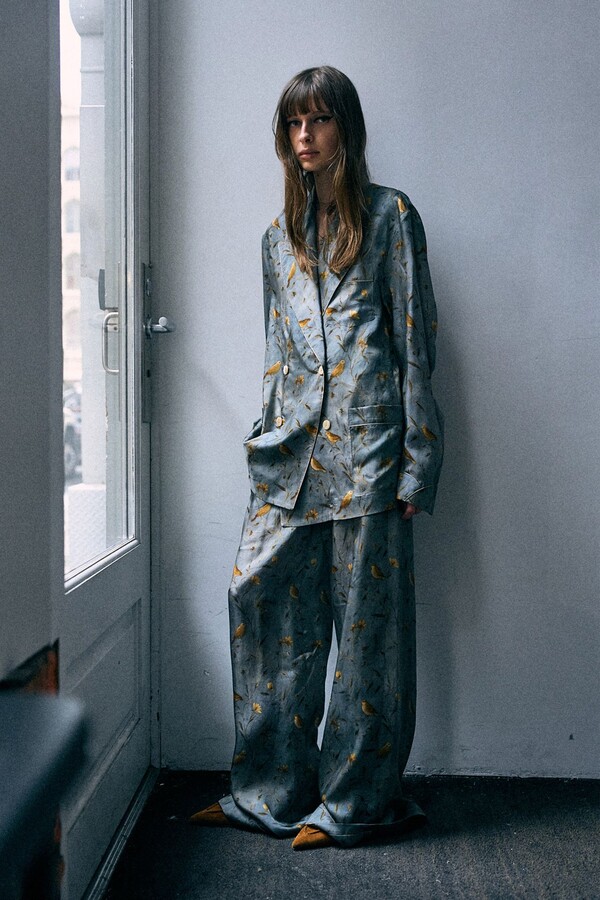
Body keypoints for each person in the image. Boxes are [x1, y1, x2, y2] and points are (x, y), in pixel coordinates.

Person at [191, 65, 443, 850]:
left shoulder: (391, 217)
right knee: (261, 605)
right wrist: (264, 439)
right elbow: (278, 354)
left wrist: (419, 460)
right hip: (292, 457)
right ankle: (268, 791)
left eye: (319, 120)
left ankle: (355, 804)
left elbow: (414, 342)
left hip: (370, 455)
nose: (305, 136)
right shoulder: (278, 237)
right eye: (294, 124)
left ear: (346, 129)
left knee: (368, 640)